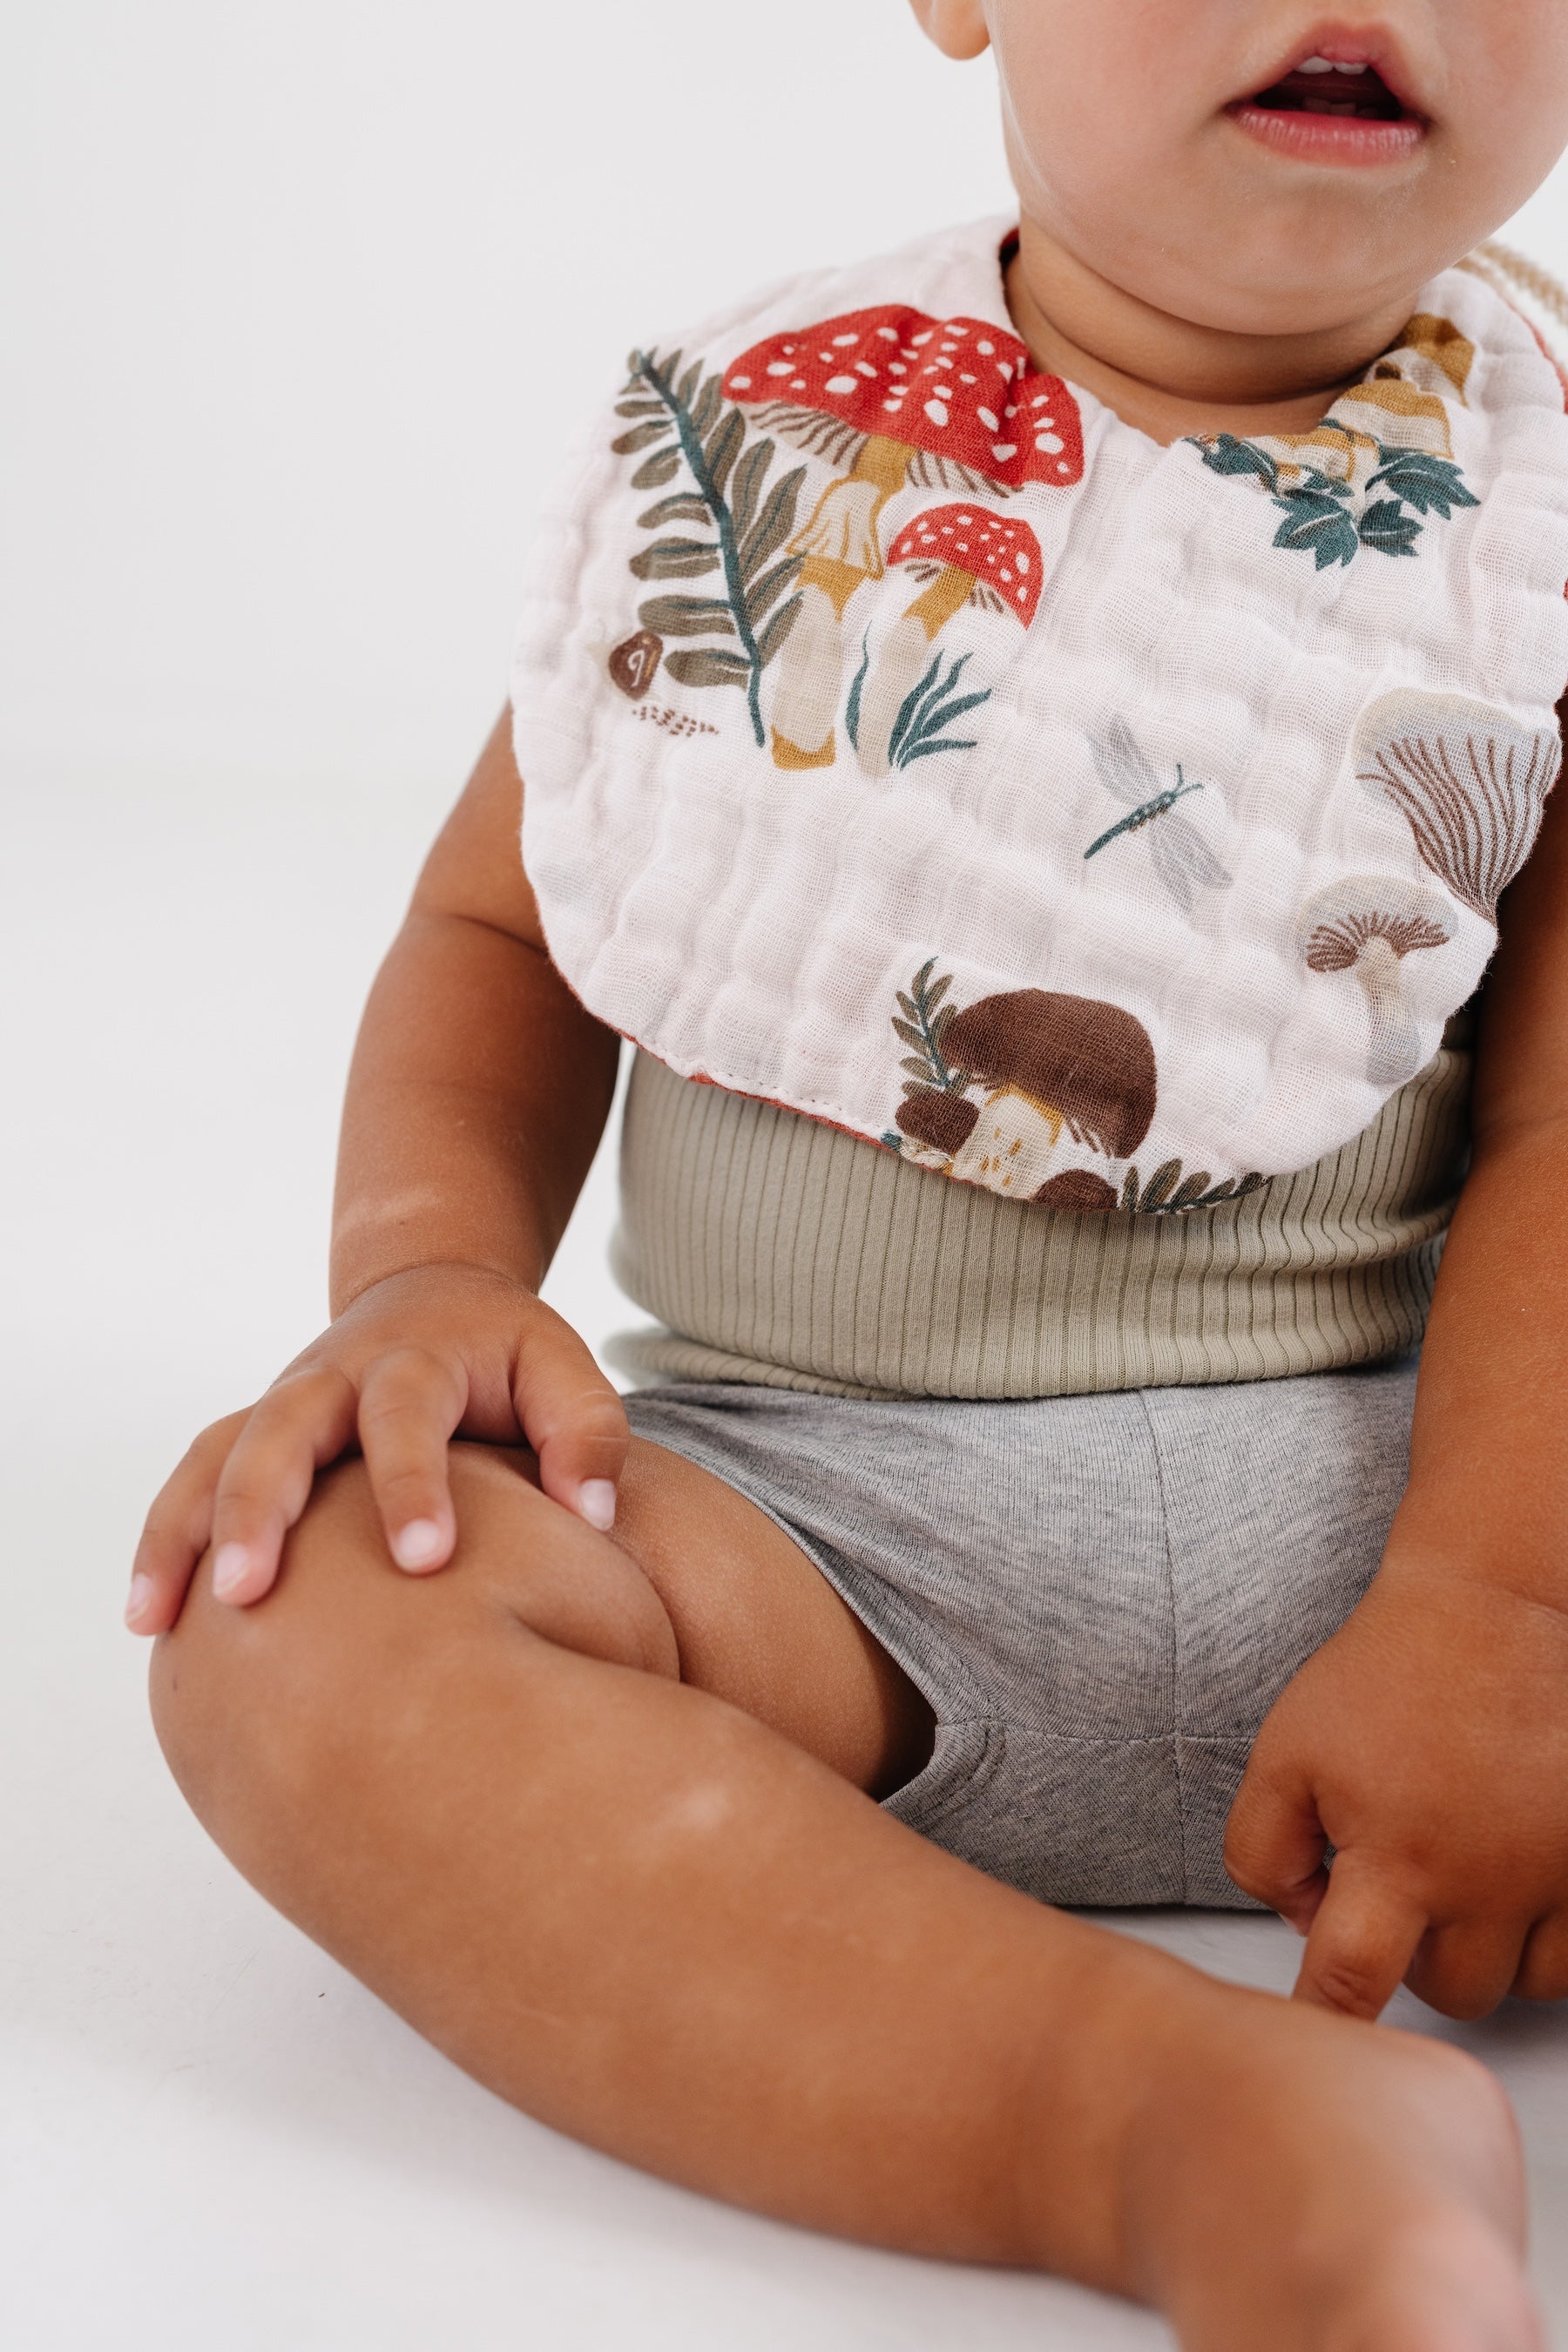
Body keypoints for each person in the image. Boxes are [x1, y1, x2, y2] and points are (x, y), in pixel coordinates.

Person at [128, 3, 1568, 2342]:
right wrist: (420, 1275)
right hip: (826, 1552)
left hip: (1458, 1529)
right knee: (292, 1610)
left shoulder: (1547, 520)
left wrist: (1513, 1618)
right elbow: (502, 922)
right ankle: (1167, 2124)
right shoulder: (775, 448)